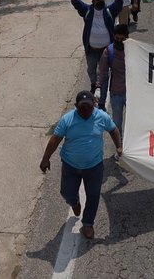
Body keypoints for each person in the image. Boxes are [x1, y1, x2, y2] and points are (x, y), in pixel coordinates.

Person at [40, 91, 122, 240]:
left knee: (93, 195)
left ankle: (88, 223)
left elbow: (114, 130)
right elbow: (55, 139)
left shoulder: (102, 117)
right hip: (70, 165)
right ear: (76, 106)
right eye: (82, 107)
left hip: (94, 166)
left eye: (88, 107)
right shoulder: (67, 119)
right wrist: (45, 158)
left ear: (94, 105)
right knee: (67, 192)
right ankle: (74, 202)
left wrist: (119, 147)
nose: (85, 110)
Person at [71, 0, 124, 87]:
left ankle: (103, 88)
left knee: (104, 71)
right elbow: (75, 1)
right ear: (93, 1)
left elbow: (119, 2)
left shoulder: (109, 11)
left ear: (104, 0)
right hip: (91, 50)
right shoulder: (87, 11)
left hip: (105, 50)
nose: (99, 1)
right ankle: (93, 85)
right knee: (91, 69)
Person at [95, 24, 129, 133]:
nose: (119, 41)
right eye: (117, 38)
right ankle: (120, 145)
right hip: (116, 93)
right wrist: (98, 87)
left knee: (132, 124)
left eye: (122, 39)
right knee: (116, 124)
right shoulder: (109, 51)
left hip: (132, 94)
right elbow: (103, 71)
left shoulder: (134, 50)